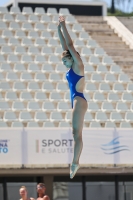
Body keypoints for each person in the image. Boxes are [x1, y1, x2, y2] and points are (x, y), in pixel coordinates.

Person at [58, 16, 88, 179]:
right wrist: (58, 30)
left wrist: (63, 25)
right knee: (75, 133)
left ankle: (75, 162)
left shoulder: (78, 65)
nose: (64, 63)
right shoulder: (71, 64)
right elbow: (65, 47)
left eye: (65, 60)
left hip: (79, 100)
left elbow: (70, 46)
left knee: (77, 133)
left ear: (72, 58)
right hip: (75, 101)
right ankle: (75, 162)